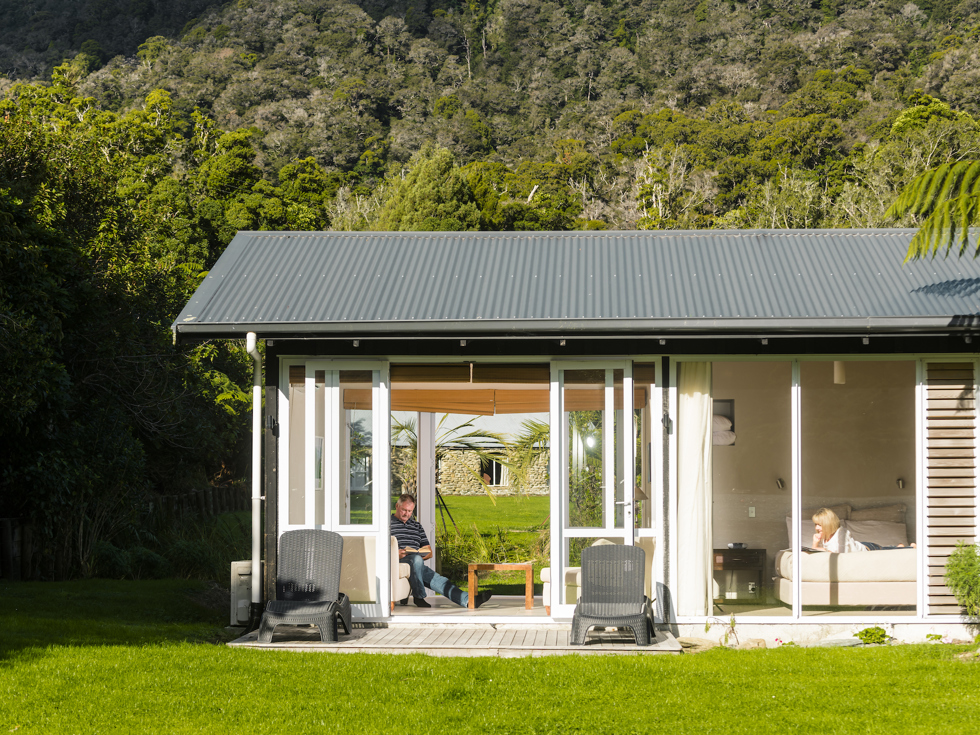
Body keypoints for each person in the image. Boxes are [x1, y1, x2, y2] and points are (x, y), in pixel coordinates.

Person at [391, 494, 491, 609]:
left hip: (415, 561)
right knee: (417, 560)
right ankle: (419, 597)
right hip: (398, 561)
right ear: (397, 506)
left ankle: (469, 601)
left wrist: (419, 554)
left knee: (438, 579)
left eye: (410, 511)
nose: (407, 514)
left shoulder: (417, 526)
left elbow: (429, 552)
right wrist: (395, 555)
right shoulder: (387, 524)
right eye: (404, 510)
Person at [811, 508, 914, 552]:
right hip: (858, 545)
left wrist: (820, 549)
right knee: (884, 548)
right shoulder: (823, 537)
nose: (817, 528)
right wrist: (815, 544)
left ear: (828, 524)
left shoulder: (841, 533)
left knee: (882, 551)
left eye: (819, 525)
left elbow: (839, 554)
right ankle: (898, 546)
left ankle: (909, 548)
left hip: (866, 548)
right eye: (816, 525)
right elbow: (816, 553)